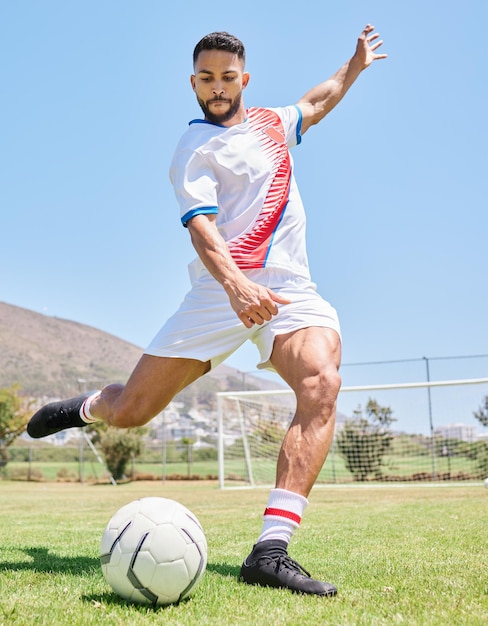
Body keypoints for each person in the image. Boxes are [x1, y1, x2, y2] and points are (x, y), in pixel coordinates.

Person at [28, 25, 387, 596]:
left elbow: (317, 102)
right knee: (133, 410)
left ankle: (270, 551)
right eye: (205, 78)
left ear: (244, 79)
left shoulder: (273, 124)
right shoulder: (192, 149)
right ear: (192, 82)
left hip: (290, 289)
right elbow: (203, 232)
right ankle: (89, 407)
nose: (217, 88)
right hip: (218, 293)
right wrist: (238, 287)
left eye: (226, 77)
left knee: (321, 383)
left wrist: (356, 64)